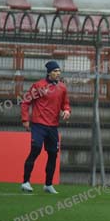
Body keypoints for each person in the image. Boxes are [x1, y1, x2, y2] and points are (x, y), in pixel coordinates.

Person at [20, 60, 70, 194]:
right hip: (38, 125)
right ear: (49, 73)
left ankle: (48, 184)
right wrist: (25, 119)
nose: (58, 73)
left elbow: (65, 103)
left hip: (53, 127)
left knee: (53, 154)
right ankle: (25, 182)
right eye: (55, 71)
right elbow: (25, 102)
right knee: (35, 149)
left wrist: (67, 111)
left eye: (59, 71)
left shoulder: (62, 87)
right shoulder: (38, 86)